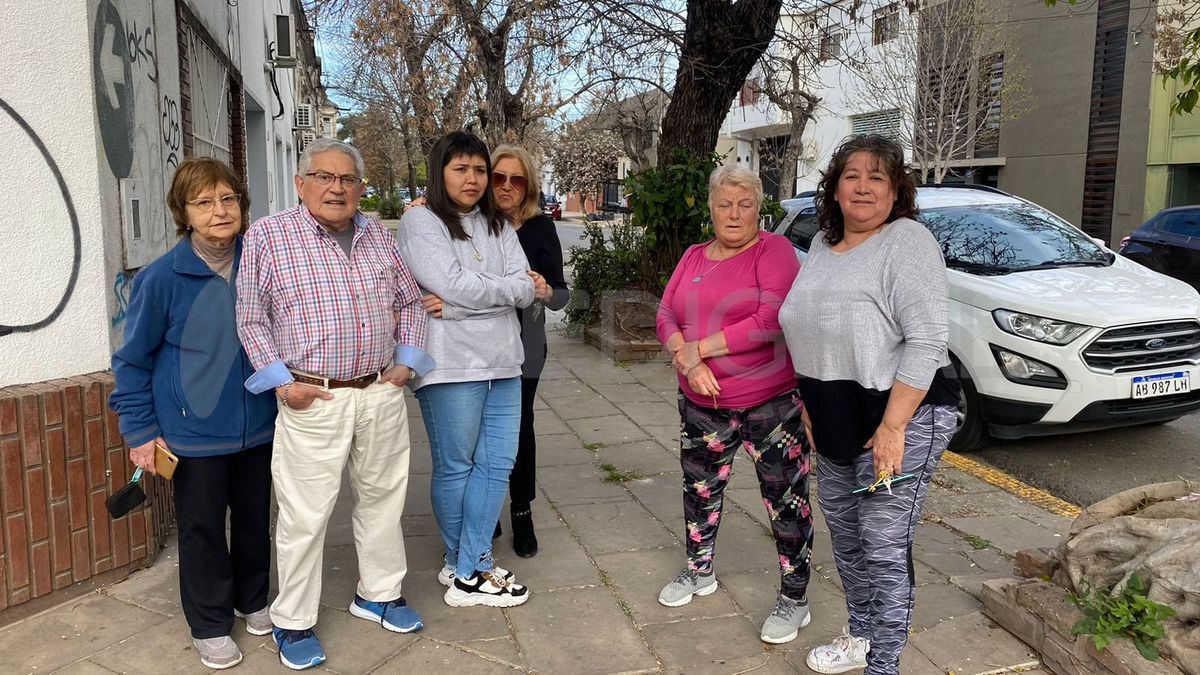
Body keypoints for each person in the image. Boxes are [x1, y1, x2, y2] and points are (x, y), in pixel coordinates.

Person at [236, 139, 433, 670]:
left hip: (378, 392)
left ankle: (379, 593)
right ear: (301, 184)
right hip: (312, 397)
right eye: (324, 177)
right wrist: (282, 384)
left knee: (384, 499)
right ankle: (292, 621)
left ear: (362, 188)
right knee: (305, 513)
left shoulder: (378, 237)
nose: (337, 188)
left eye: (347, 179)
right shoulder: (269, 238)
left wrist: (408, 362)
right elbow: (251, 318)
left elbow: (409, 302)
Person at [778, 134, 958, 675]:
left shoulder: (906, 241)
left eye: (876, 177)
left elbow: (927, 338)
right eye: (850, 175)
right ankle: (860, 639)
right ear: (832, 189)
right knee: (848, 538)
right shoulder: (819, 250)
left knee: (882, 543)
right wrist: (807, 406)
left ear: (896, 190)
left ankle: (885, 665)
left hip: (899, 414)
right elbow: (805, 331)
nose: (861, 186)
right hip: (834, 419)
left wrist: (894, 425)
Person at [109, 157, 276, 670]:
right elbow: (131, 361)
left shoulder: (263, 263)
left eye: (228, 199)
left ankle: (253, 599)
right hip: (193, 433)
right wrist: (140, 431)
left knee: (254, 520)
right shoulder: (161, 279)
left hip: (260, 425)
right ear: (184, 212)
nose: (219, 210)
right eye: (204, 202)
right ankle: (208, 622)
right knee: (201, 527)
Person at [655, 165, 814, 645]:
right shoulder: (693, 256)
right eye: (725, 203)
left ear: (759, 208)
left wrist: (698, 349)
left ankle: (795, 599)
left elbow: (771, 320)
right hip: (701, 403)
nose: (734, 213)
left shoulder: (774, 251)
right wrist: (687, 363)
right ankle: (699, 570)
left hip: (769, 406)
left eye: (745, 204)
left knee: (785, 501)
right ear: (710, 207)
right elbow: (665, 314)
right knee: (699, 491)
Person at [396, 131, 536, 608]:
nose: (473, 179)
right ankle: (471, 566)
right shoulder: (422, 222)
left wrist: (458, 305)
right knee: (457, 466)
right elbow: (453, 283)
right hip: (451, 365)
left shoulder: (499, 225)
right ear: (440, 173)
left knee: (497, 463)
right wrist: (496, 293)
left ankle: (465, 565)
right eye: (461, 169)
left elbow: (524, 287)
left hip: (505, 359)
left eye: (479, 169)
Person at [489, 144, 569, 557]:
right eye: (498, 177)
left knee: (519, 428)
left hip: (528, 344)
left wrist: (545, 289)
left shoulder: (540, 228)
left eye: (516, 179)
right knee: (480, 430)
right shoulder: (474, 222)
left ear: (529, 185)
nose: (506, 186)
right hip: (479, 344)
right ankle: (487, 513)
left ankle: (522, 511)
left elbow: (561, 298)